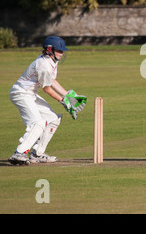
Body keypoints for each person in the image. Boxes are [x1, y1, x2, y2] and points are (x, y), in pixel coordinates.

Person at [8, 36, 87, 165]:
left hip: (30, 93)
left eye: (62, 51)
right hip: (20, 93)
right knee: (38, 123)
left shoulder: (52, 61)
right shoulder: (44, 64)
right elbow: (47, 89)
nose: (62, 53)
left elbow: (52, 81)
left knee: (53, 119)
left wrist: (67, 95)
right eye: (59, 51)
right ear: (50, 50)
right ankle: (19, 153)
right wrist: (63, 100)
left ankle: (37, 154)